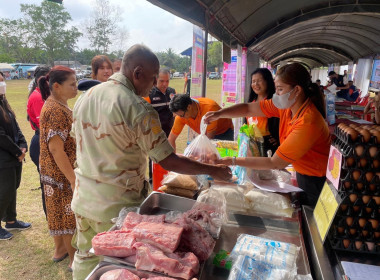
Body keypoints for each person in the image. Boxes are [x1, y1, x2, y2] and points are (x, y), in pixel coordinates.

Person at [70, 44, 232, 280]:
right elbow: (168, 160)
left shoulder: (87, 96)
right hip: (116, 205)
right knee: (121, 270)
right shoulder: (137, 107)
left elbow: (79, 141)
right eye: (153, 78)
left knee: (86, 259)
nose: (155, 84)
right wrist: (213, 170)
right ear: (137, 73)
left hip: (84, 200)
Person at [205, 63, 331, 207]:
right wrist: (219, 114)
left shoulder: (308, 122)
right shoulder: (287, 107)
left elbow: (275, 162)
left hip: (315, 181)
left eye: (280, 89)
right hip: (302, 171)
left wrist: (232, 160)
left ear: (297, 90)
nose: (276, 95)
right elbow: (248, 109)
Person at [38, 66, 77, 270]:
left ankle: (61, 250)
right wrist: (72, 178)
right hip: (60, 174)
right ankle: (73, 260)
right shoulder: (54, 109)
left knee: (60, 216)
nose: (76, 88)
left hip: (55, 172)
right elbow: (55, 149)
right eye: (72, 84)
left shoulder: (57, 104)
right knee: (67, 217)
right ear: (56, 86)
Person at [0, 71, 31, 241]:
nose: (2, 84)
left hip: (14, 156)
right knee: (4, 191)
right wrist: (17, 152)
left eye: (2, 80)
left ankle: (11, 220)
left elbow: (16, 127)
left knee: (12, 188)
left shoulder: (4, 102)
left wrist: (23, 145)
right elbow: (1, 136)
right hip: (4, 158)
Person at [168, 94, 234, 152]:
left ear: (189, 107)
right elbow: (171, 139)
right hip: (206, 135)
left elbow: (209, 139)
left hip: (224, 132)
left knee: (221, 159)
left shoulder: (209, 108)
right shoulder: (181, 115)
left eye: (182, 115)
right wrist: (173, 160)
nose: (181, 118)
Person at [26, 65, 51, 217]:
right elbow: (46, 126)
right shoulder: (37, 98)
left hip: (44, 140)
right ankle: (51, 217)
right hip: (41, 141)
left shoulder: (43, 95)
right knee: (47, 185)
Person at [246, 68, 280, 155]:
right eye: (253, 81)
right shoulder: (251, 102)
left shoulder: (274, 102)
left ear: (268, 81)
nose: (256, 84)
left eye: (259, 80)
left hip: (267, 147)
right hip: (252, 145)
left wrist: (278, 138)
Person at [144, 68, 176, 137]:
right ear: (156, 79)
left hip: (170, 132)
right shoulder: (148, 93)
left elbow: (177, 110)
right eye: (161, 81)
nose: (165, 84)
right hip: (155, 134)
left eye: (167, 81)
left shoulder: (172, 92)